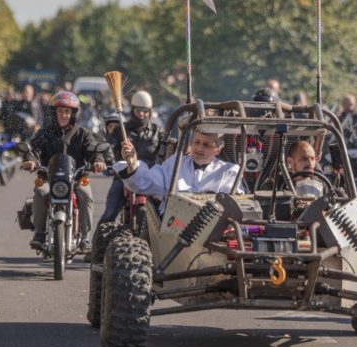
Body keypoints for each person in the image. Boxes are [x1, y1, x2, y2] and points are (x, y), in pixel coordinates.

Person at [21, 91, 106, 252]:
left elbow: (93, 151)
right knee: (40, 192)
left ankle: (85, 237)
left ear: (73, 114)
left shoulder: (83, 134)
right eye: (60, 111)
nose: (63, 115)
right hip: (48, 178)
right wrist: (31, 160)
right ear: (54, 113)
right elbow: (34, 150)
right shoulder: (44, 133)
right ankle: (39, 233)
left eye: (67, 111)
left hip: (76, 179)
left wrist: (98, 161)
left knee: (86, 194)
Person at [114, 129, 243, 211]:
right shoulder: (176, 163)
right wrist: (132, 163)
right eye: (196, 142)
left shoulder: (230, 171)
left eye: (206, 145)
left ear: (218, 149)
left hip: (213, 228)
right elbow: (148, 182)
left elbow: (234, 202)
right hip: (173, 225)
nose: (199, 148)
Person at [98, 91, 162, 226]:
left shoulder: (159, 132)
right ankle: (99, 245)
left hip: (148, 178)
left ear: (150, 112)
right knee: (108, 215)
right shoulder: (120, 130)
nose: (142, 114)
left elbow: (167, 152)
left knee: (165, 214)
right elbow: (109, 146)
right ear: (133, 110)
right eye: (138, 110)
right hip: (124, 177)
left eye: (145, 111)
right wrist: (108, 160)